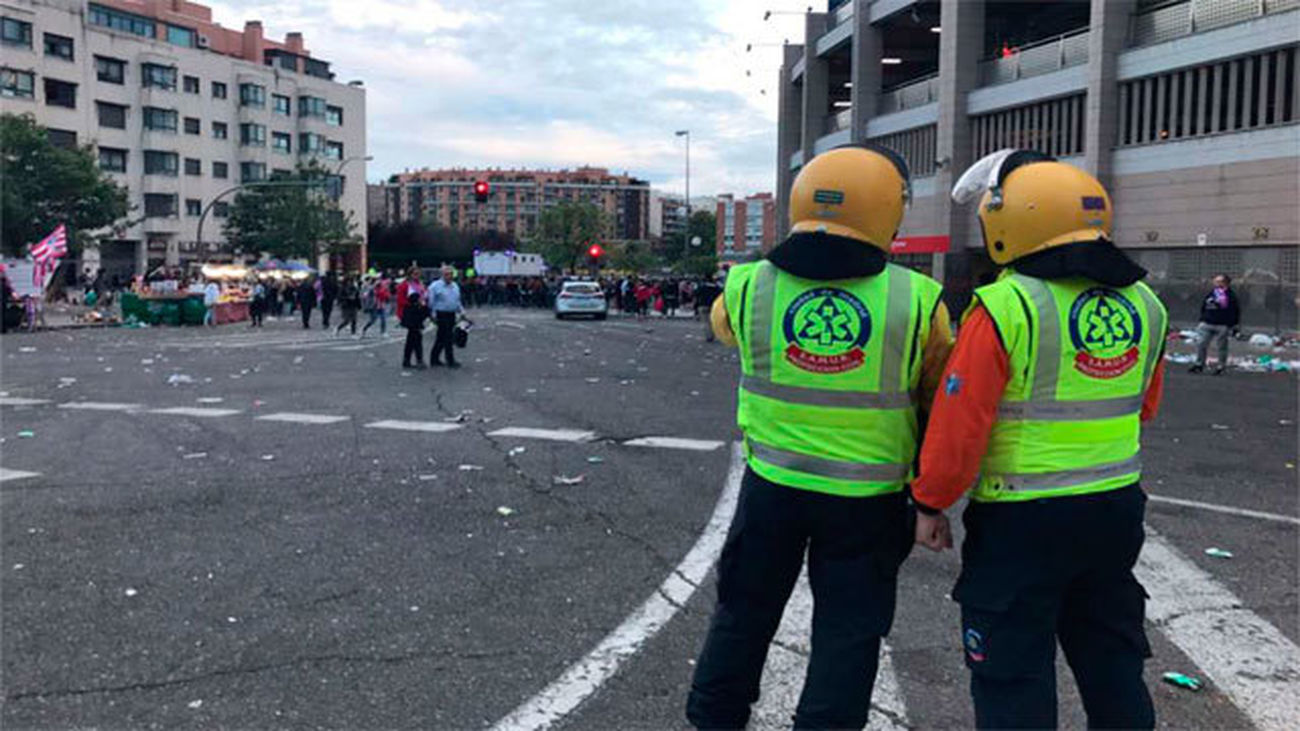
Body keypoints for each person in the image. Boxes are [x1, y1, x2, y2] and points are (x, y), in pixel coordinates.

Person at [686, 145, 953, 730]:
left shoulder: (749, 285)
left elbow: (723, 329)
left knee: (742, 614)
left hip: (772, 488)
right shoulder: (918, 299)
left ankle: (714, 718)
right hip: (869, 500)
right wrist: (932, 495)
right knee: (849, 633)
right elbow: (939, 395)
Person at [911, 149, 1168, 730]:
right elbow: (1144, 406)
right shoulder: (1146, 305)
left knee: (1012, 678)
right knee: (1112, 662)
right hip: (1114, 509)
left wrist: (930, 501)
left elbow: (960, 426)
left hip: (1022, 521)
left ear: (1010, 222)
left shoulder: (1007, 306)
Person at [1190, 273, 1241, 375]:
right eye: (1215, 281)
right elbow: (1204, 305)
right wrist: (1202, 318)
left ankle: (1221, 366)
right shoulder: (1211, 293)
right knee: (1201, 343)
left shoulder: (1231, 296)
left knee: (1221, 346)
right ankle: (1199, 364)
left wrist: (1233, 325)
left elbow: (1235, 311)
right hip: (1207, 322)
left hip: (1222, 324)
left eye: (1218, 281)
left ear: (1225, 283)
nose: (1216, 283)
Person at [427, 265, 464, 368]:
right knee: (448, 337)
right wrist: (432, 314)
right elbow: (431, 301)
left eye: (451, 274)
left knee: (441, 338)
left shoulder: (455, 286)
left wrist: (462, 312)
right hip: (441, 313)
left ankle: (434, 359)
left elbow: (457, 301)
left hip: (451, 314)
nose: (450, 276)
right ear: (442, 275)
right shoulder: (435, 286)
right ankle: (450, 360)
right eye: (447, 274)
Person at [400, 291, 429, 368]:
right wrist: (424, 306)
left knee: (409, 345)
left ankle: (406, 360)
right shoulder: (416, 308)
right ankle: (419, 360)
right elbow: (424, 314)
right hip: (416, 328)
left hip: (411, 329)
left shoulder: (408, 307)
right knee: (417, 345)